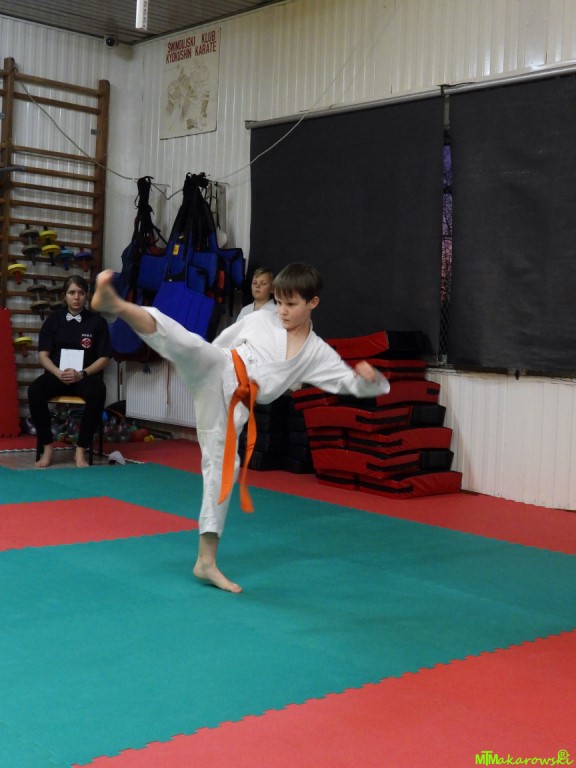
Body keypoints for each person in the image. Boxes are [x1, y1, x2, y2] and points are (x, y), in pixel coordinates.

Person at [91, 262, 390, 593]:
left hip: (235, 407)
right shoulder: (262, 318)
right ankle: (117, 305)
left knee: (223, 471)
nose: (282, 311)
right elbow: (223, 342)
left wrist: (370, 379)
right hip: (220, 368)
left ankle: (205, 562)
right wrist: (209, 359)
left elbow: (349, 383)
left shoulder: (316, 353)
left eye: (291, 304)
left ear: (313, 303)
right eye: (279, 302)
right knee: (185, 342)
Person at [28, 274, 113, 469]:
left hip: (84, 377)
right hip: (57, 376)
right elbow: (43, 356)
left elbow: (104, 358)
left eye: (81, 293)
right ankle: (47, 447)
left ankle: (81, 449)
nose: (76, 297)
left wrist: (82, 374)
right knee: (34, 391)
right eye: (72, 292)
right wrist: (58, 373)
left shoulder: (97, 322)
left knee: (98, 392)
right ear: (64, 296)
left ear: (86, 296)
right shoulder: (53, 321)